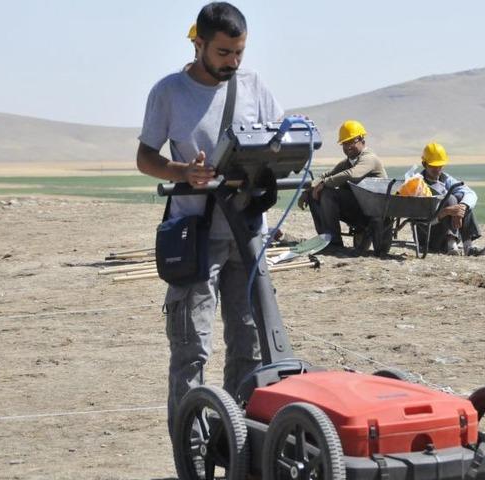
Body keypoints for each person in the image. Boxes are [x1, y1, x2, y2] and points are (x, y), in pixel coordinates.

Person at [135, 2, 284, 438]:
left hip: (247, 234)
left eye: (239, 53)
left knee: (251, 342)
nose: (233, 63)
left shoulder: (254, 86)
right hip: (195, 238)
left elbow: (278, 141)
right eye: (223, 53)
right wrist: (183, 173)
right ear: (198, 44)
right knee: (191, 347)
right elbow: (145, 157)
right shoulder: (168, 92)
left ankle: (237, 440)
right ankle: (192, 448)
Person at [298, 120, 388, 254]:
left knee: (327, 193)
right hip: (357, 209)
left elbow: (352, 174)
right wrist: (309, 190)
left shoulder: (369, 159)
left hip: (372, 211)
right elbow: (325, 175)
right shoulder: (347, 163)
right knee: (314, 195)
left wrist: (323, 184)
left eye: (352, 141)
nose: (348, 146)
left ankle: (334, 243)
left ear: (362, 140)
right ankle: (325, 240)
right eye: (345, 143)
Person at [416, 142, 485, 256]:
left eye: (440, 166)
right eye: (433, 166)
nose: (437, 169)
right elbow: (421, 222)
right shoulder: (417, 184)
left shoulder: (446, 179)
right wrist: (445, 212)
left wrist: (462, 209)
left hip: (446, 233)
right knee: (450, 199)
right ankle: (451, 246)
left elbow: (470, 193)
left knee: (462, 200)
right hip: (428, 237)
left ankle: (468, 246)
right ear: (424, 164)